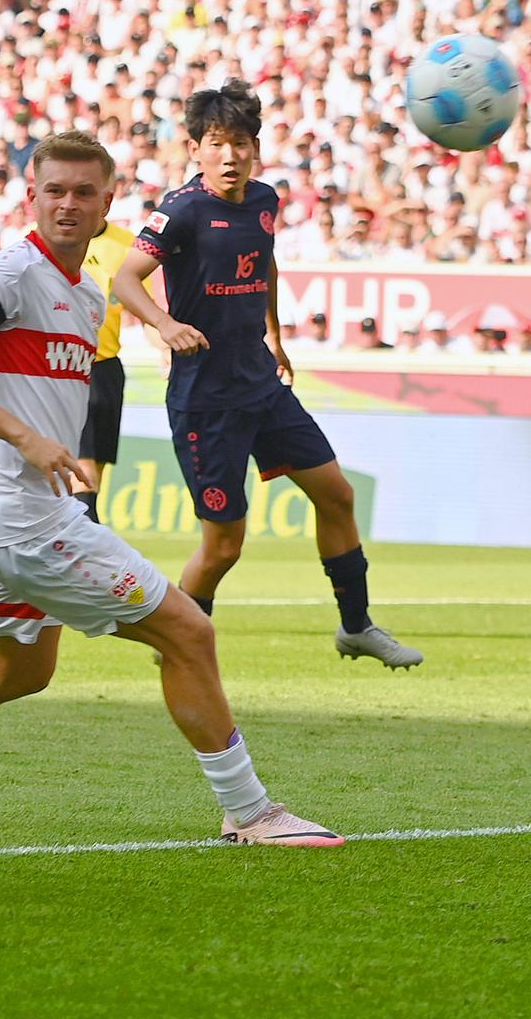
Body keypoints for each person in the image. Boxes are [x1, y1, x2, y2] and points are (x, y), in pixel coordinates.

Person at [0, 130, 343, 847]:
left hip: (11, 517)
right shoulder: (8, 274)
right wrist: (26, 440)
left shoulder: (89, 295)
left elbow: (45, 395)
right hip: (20, 518)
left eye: (83, 193)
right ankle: (250, 811)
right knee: (189, 631)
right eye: (53, 190)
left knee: (19, 672)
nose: (67, 204)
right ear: (31, 196)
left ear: (107, 206)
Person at [111, 81, 422, 670]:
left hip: (261, 386)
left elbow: (267, 263)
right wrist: (163, 322)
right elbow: (126, 279)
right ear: (197, 149)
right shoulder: (180, 210)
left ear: (256, 148)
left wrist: (275, 335)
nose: (229, 155)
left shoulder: (264, 200)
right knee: (224, 544)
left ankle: (356, 627)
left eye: (241, 144)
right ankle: (180, 641)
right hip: (206, 399)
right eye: (216, 143)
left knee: (337, 495)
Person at [71, 218, 146, 522]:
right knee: (83, 465)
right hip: (67, 366)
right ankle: (86, 537)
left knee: (94, 467)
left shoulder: (128, 245)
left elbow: (142, 305)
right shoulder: (46, 238)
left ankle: (80, 535)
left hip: (106, 367)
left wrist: (166, 345)